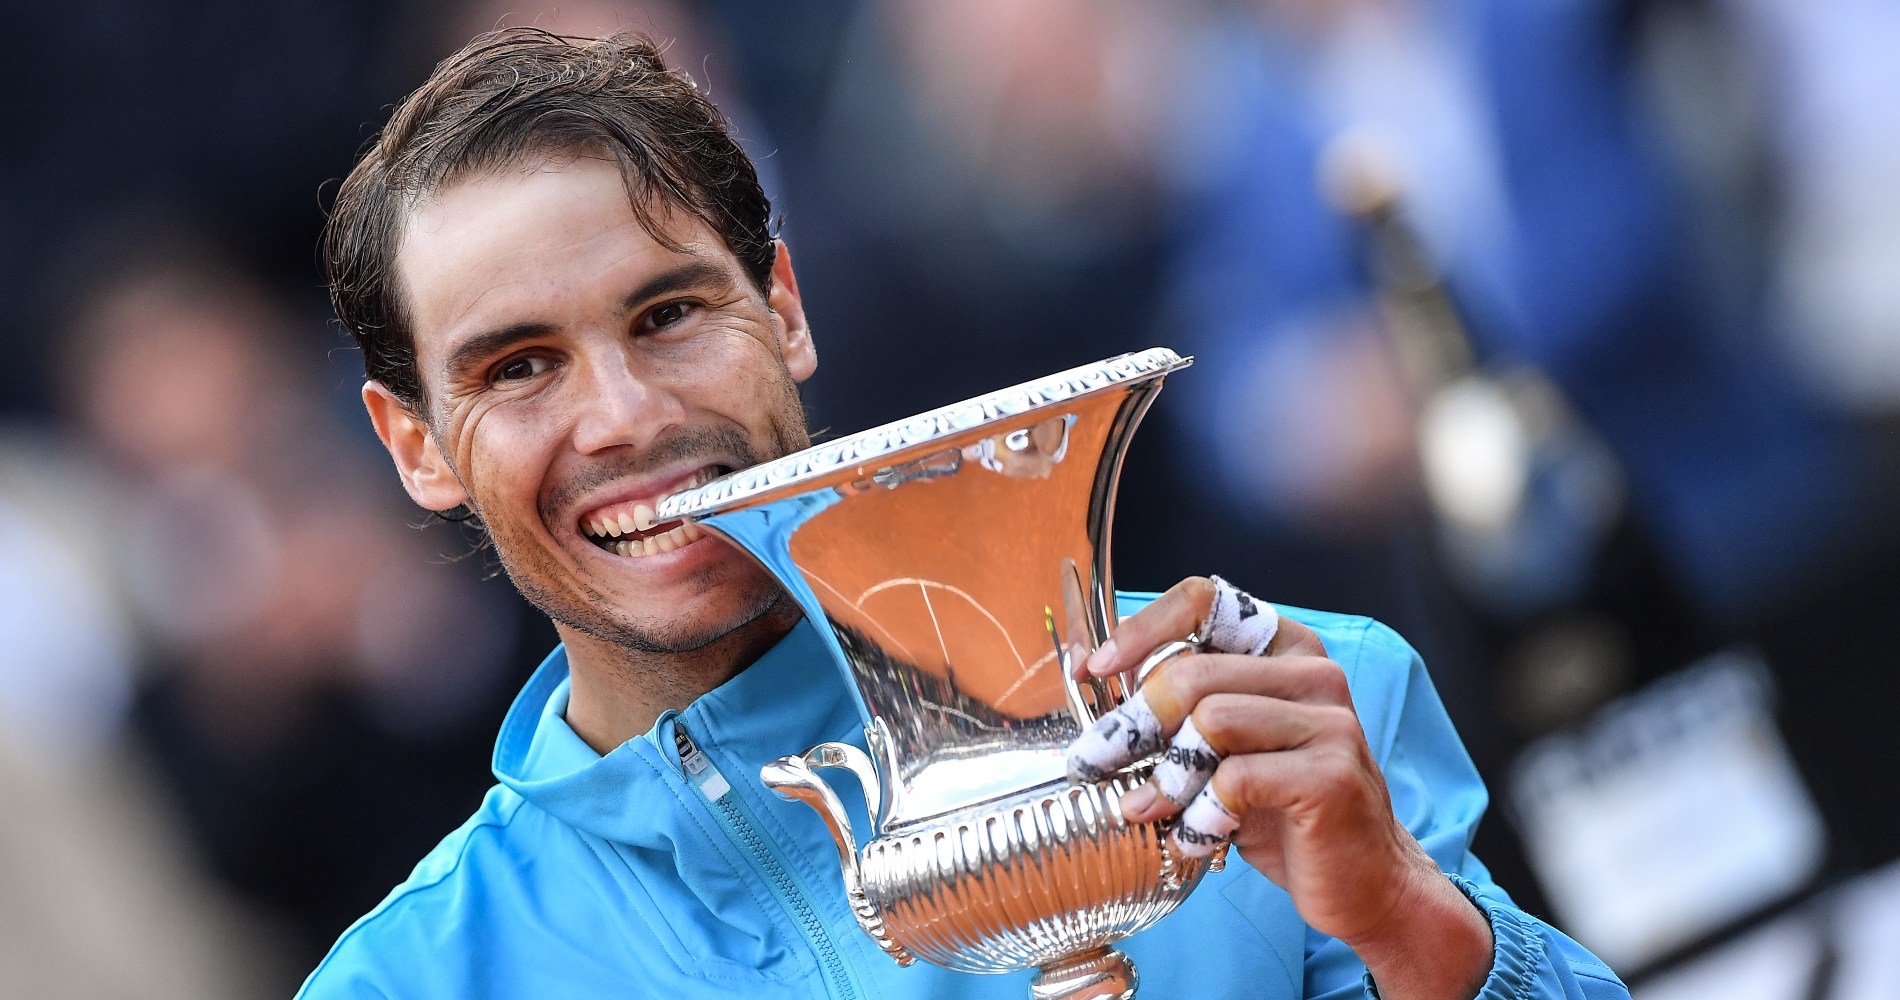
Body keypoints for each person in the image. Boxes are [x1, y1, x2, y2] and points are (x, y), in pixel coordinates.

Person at [298, 28, 1627, 1000]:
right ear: (414, 444)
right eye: (516, 367)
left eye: (669, 315)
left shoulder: (1279, 720)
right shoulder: (411, 986)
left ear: (788, 309)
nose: (625, 416)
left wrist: (1411, 930)